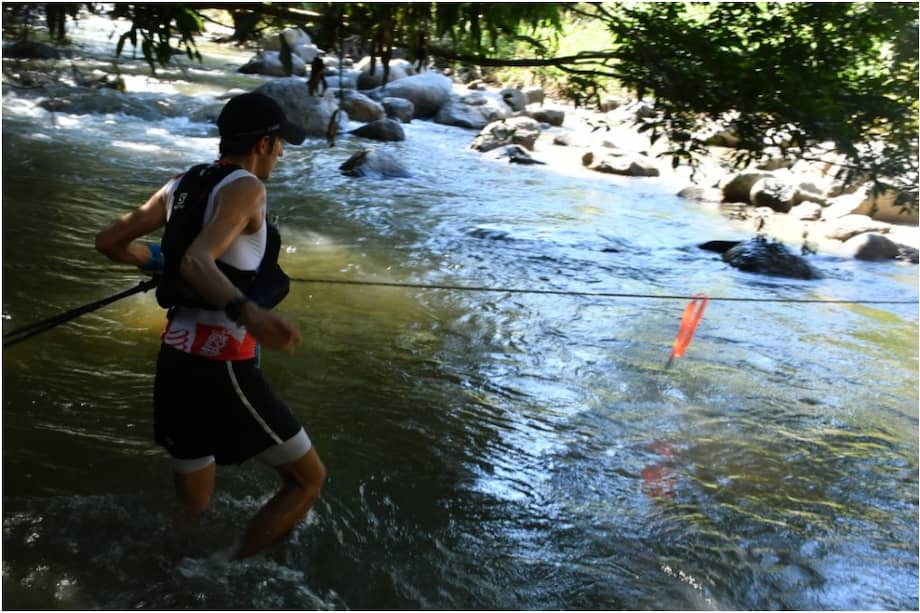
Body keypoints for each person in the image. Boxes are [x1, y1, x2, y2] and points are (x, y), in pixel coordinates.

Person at [95, 92, 326, 560]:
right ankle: (235, 579)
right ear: (264, 143)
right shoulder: (247, 188)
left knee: (192, 504)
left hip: (175, 363)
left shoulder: (181, 183)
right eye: (280, 143)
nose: (281, 153)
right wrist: (251, 313)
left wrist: (162, 259)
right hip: (221, 368)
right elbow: (200, 260)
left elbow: (111, 242)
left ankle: (162, 577)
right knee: (308, 481)